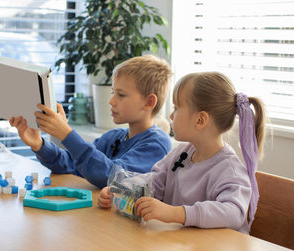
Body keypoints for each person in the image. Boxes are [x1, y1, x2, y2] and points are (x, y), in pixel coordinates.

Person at [98, 72, 266, 234]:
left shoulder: (230, 170)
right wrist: (120, 189)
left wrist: (176, 213)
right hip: (184, 247)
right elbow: (154, 181)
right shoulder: (181, 153)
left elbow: (233, 213)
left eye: (176, 108)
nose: (171, 115)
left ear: (200, 120)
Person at [9, 55, 172, 188]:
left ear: (149, 102)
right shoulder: (113, 137)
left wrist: (67, 134)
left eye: (121, 95)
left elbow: (111, 177)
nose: (111, 101)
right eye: (113, 93)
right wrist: (39, 145)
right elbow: (70, 164)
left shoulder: (156, 145)